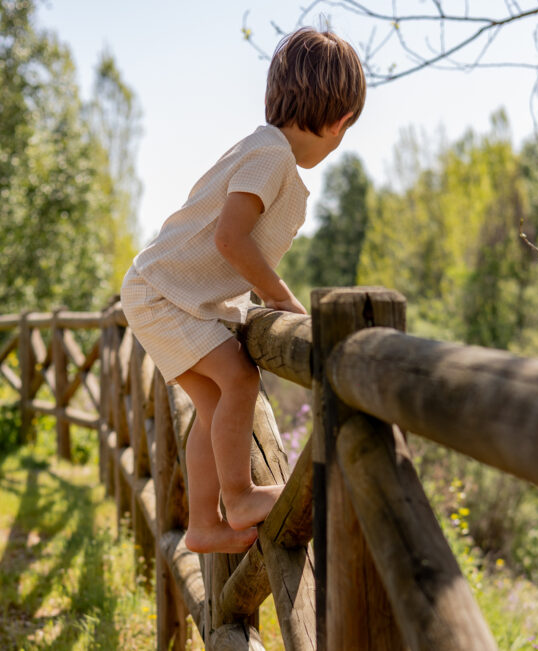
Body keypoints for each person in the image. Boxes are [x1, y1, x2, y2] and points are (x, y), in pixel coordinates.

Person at [120, 27, 366, 554]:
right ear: (342, 121)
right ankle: (241, 497)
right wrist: (280, 297)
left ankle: (204, 525)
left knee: (214, 409)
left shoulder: (263, 148)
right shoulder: (271, 155)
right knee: (239, 378)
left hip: (160, 292)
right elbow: (230, 239)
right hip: (164, 294)